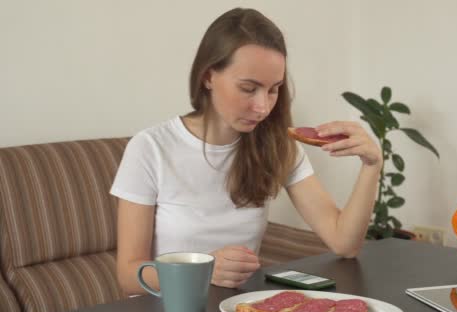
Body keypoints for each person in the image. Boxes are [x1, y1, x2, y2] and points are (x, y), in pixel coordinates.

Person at [111, 7, 382, 294]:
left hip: (238, 311)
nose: (263, 107)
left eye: (273, 89)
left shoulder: (277, 146)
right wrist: (200, 270)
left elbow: (344, 243)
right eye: (248, 88)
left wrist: (371, 165)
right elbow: (129, 275)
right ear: (208, 77)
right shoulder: (150, 148)